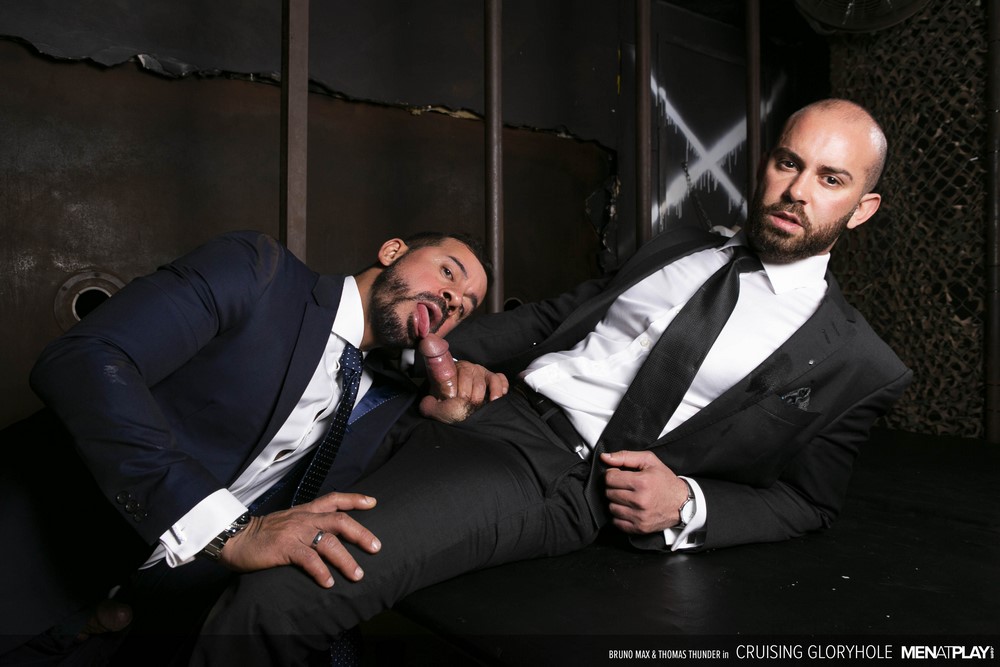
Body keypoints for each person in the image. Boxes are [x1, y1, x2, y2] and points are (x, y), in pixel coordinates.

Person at [191, 98, 913, 664]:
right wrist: (436, 353)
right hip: (479, 403)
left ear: (863, 208)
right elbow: (554, 319)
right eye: (788, 163)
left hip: (546, 469)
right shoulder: (683, 243)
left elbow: (808, 501)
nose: (796, 190)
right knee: (220, 509)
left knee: (284, 594)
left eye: (830, 179)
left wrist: (689, 503)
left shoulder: (858, 361)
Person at [0, 229, 499, 663]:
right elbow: (84, 360)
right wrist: (229, 531)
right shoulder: (260, 270)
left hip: (135, 635)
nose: (453, 299)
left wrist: (453, 405)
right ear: (392, 251)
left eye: (465, 306)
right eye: (448, 272)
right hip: (31, 560)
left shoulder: (389, 401)